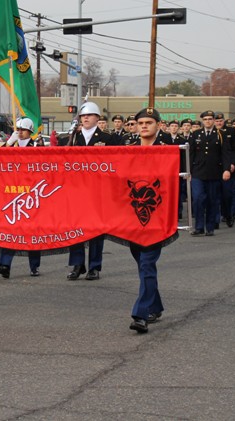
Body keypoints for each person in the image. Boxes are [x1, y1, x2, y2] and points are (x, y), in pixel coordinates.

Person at [66, 101, 119, 280]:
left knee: (96, 229)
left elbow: (115, 164)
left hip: (98, 189)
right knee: (75, 228)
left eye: (89, 115)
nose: (86, 118)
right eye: (83, 116)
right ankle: (77, 264)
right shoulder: (73, 138)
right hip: (77, 188)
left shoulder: (107, 138)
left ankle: (94, 266)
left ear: (97, 118)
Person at [128, 108, 167, 334]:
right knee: (143, 264)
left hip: (157, 217)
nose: (144, 126)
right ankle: (156, 305)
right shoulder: (128, 151)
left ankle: (141, 314)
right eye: (140, 122)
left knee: (146, 263)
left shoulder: (167, 151)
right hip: (132, 218)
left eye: (149, 122)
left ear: (158, 126)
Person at [0, 117, 43, 278]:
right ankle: (4, 264)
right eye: (18, 129)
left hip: (31, 191)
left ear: (30, 131)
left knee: (32, 230)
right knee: (10, 229)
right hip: (13, 191)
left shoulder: (36, 145)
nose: (19, 132)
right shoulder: (11, 144)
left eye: (22, 130)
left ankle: (34, 265)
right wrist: (9, 144)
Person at [188, 111, 232, 237]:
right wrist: (189, 171)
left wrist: (226, 169)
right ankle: (199, 226)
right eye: (205, 119)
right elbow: (191, 154)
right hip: (198, 172)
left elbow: (226, 154)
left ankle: (210, 226)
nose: (208, 121)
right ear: (202, 120)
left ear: (213, 120)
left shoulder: (220, 134)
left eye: (210, 119)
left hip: (214, 172)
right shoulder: (196, 134)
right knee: (197, 198)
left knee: (212, 200)